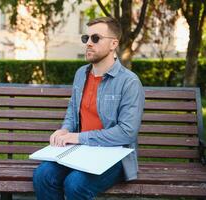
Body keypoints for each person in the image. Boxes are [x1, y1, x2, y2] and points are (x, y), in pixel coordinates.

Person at [33, 16, 145, 200]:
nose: (89, 43)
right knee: (42, 176)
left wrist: (77, 137)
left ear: (113, 44)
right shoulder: (81, 74)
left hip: (114, 155)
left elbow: (127, 133)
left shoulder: (129, 82)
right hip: (80, 150)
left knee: (75, 184)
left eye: (96, 38)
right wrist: (65, 129)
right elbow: (73, 109)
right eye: (87, 38)